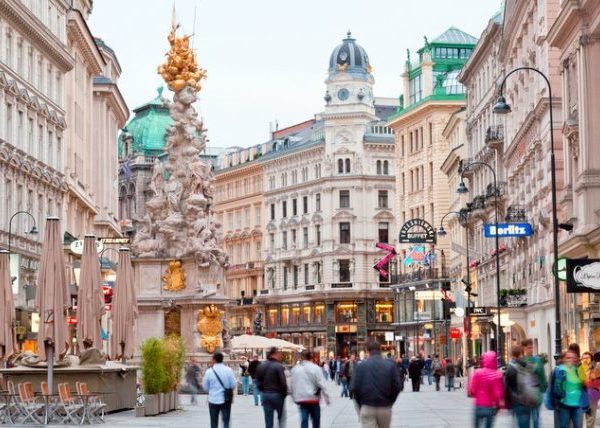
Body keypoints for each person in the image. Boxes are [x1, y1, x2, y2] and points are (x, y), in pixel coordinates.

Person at [351, 341, 402, 428]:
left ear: (367, 351)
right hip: (384, 407)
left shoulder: (360, 366)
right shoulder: (390, 366)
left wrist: (361, 403)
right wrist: (390, 402)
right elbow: (397, 386)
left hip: (367, 406)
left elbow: (354, 388)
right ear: (380, 350)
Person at [290, 350, 330, 428]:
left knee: (304, 420)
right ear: (311, 357)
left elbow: (292, 384)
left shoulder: (295, 369)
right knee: (316, 420)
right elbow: (322, 384)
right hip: (313, 399)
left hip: (301, 399)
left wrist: (293, 397)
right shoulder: (316, 368)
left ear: (301, 357)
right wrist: (327, 397)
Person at [505, 345, 542, 428]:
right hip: (529, 398)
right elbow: (536, 379)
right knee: (526, 423)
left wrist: (508, 404)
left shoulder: (510, 368)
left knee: (522, 423)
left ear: (512, 355)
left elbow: (508, 387)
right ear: (521, 354)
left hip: (517, 401)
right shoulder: (527, 365)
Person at [468, 351, 504, 428]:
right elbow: (497, 394)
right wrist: (498, 406)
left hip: (478, 406)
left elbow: (472, 390)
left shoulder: (477, 373)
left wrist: (476, 395)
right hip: (490, 407)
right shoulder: (497, 375)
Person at [202, 352, 237, 428]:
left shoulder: (209, 372)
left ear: (214, 359)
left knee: (214, 421)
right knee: (226, 420)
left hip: (213, 399)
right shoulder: (228, 370)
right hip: (226, 399)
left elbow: (205, 387)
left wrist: (211, 391)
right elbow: (233, 384)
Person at [256, 347, 288, 428]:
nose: (280, 355)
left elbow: (258, 382)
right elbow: (283, 383)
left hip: (266, 395)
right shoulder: (278, 366)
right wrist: (284, 395)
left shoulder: (261, 366)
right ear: (275, 354)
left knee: (268, 420)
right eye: (279, 353)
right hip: (277, 395)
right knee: (281, 419)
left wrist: (263, 391)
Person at [553, 350, 585, 428]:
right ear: (563, 359)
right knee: (564, 425)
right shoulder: (559, 370)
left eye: (573, 358)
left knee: (578, 426)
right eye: (568, 358)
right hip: (564, 405)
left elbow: (584, 383)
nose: (571, 359)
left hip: (577, 404)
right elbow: (556, 387)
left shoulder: (578, 370)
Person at [521, 338, 547, 428]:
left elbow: (542, 375)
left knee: (536, 416)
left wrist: (543, 388)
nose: (531, 350)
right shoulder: (521, 361)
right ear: (523, 348)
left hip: (536, 392)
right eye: (528, 348)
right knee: (526, 417)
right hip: (524, 393)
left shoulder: (537, 360)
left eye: (532, 347)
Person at [585, 352, 600, 428]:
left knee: (589, 415)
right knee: (591, 415)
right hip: (593, 392)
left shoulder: (591, 366)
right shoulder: (598, 365)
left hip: (589, 392)